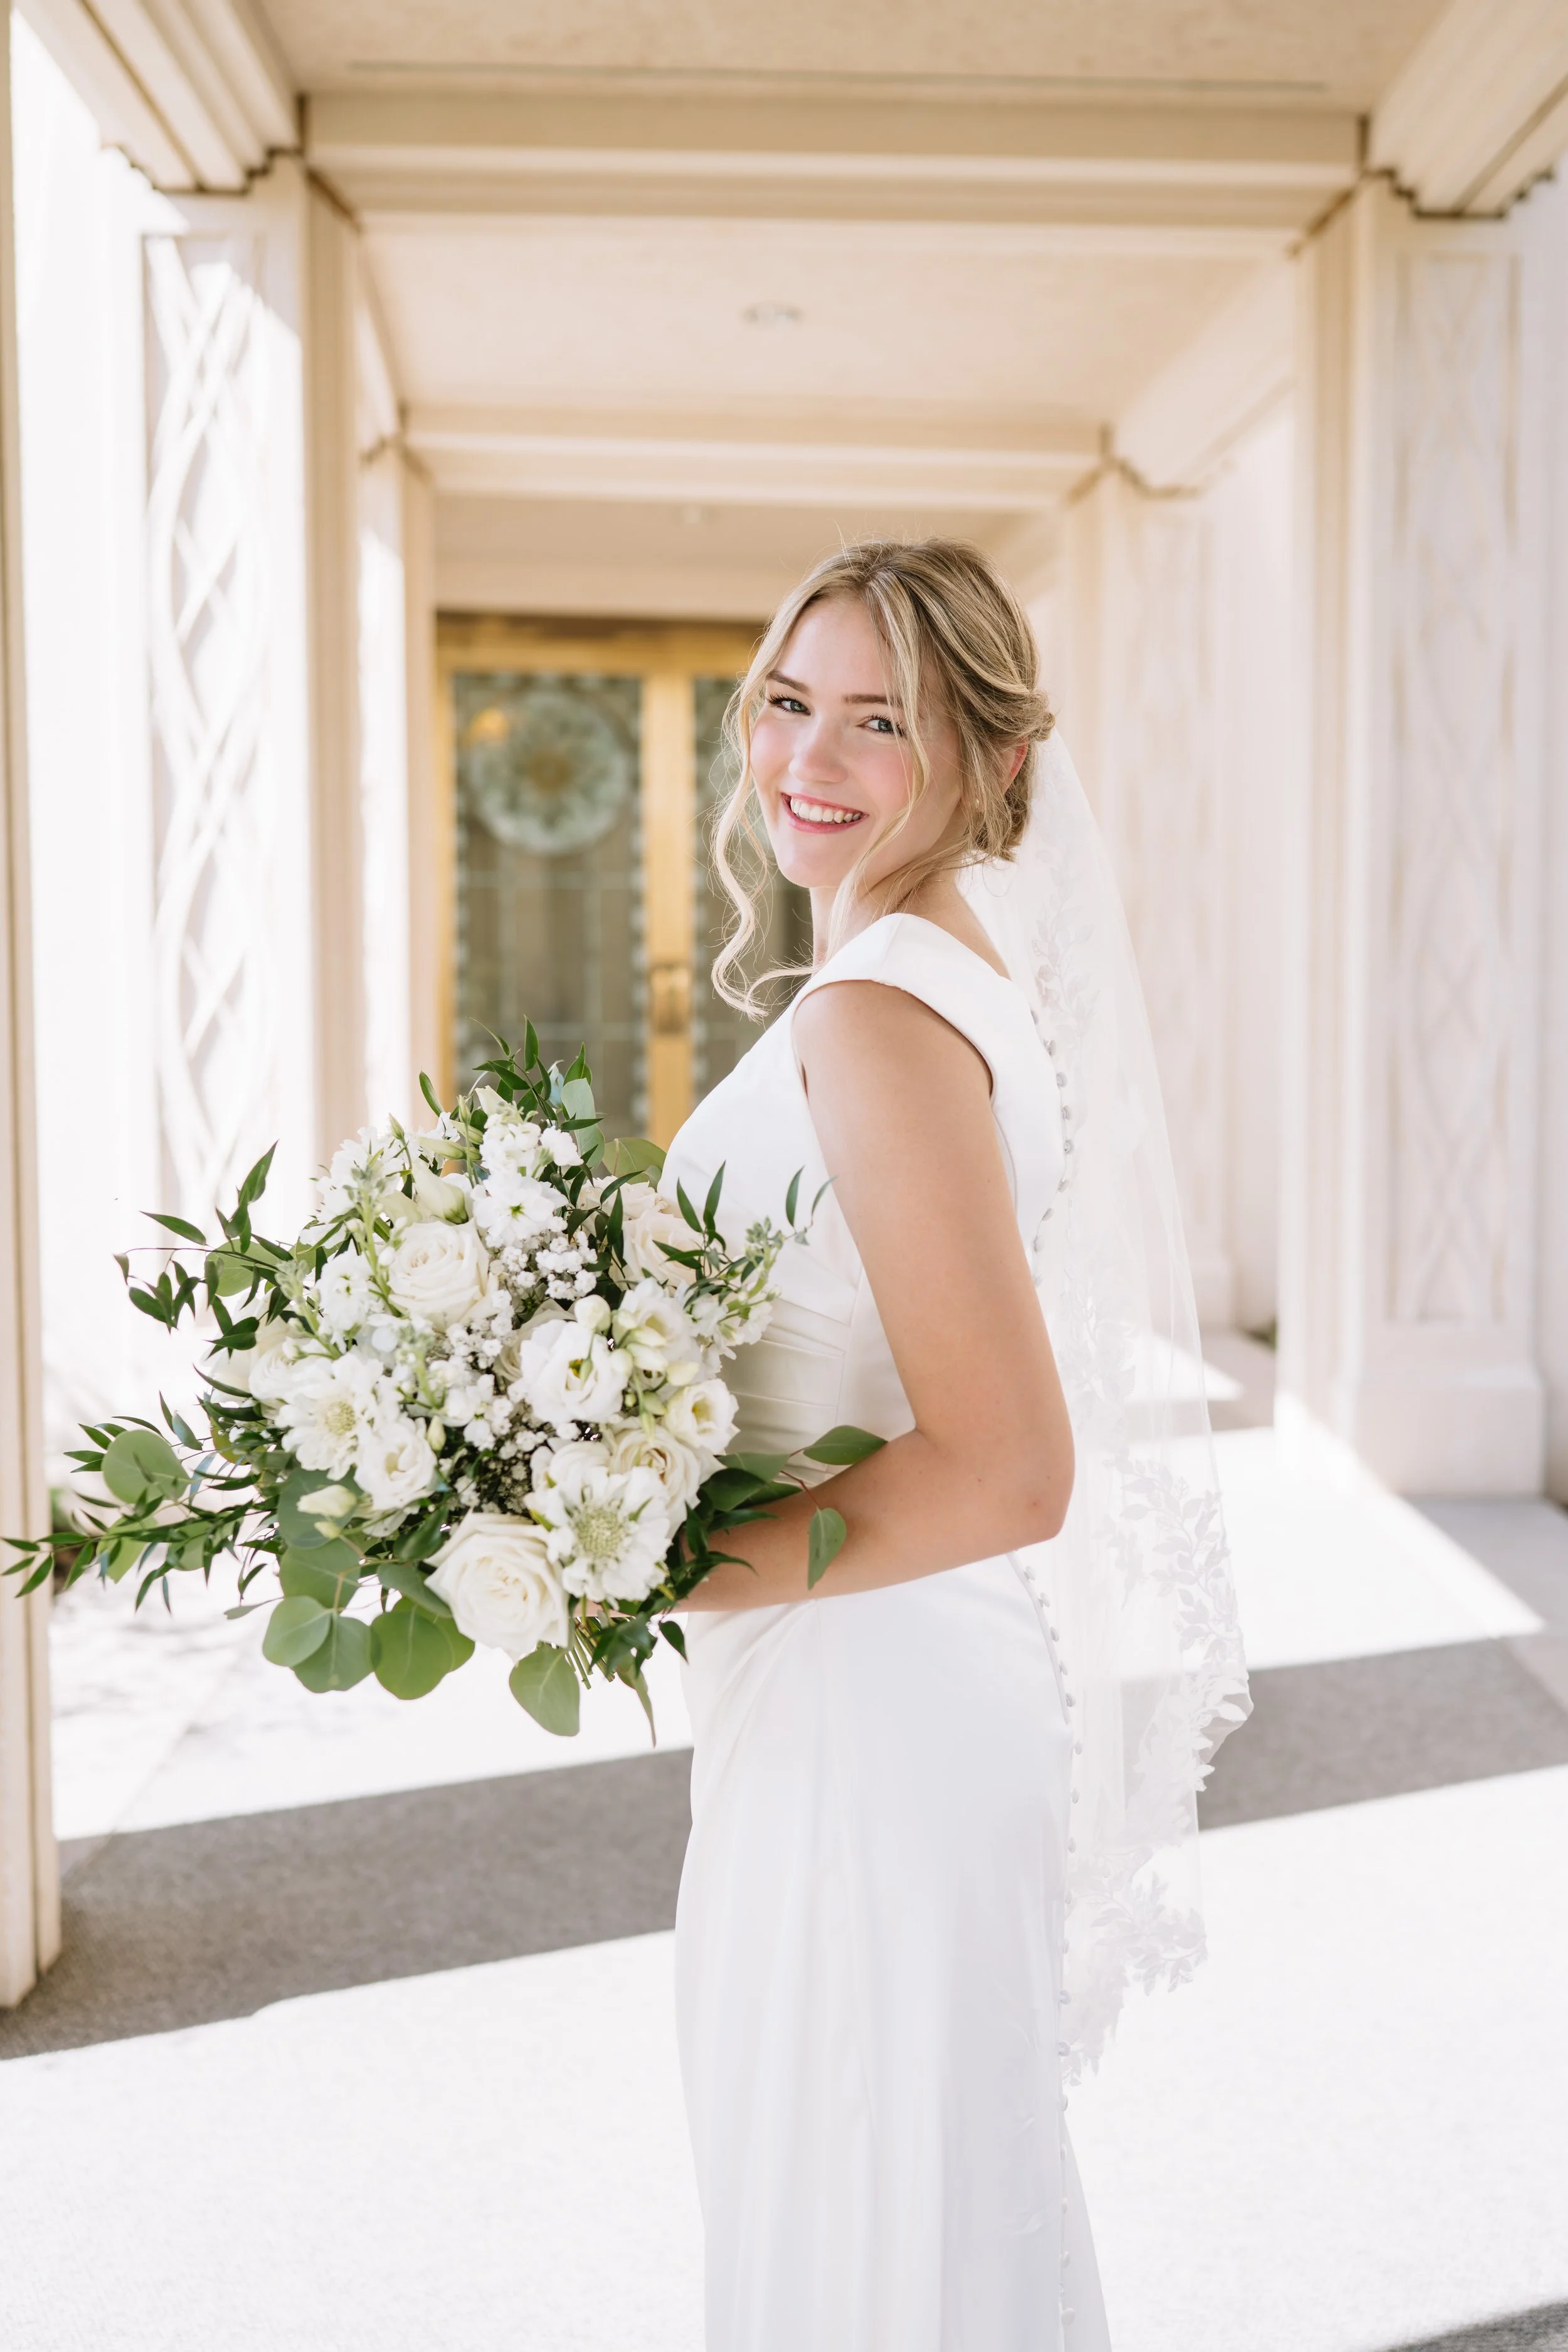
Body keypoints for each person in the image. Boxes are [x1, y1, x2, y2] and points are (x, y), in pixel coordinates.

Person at [662, 539, 1250, 2352]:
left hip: (869, 1714)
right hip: (868, 1683)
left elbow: (1009, 1465)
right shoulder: (945, 973)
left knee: (863, 2229)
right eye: (785, 703)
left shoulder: (878, 1017)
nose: (804, 762)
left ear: (989, 764)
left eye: (877, 722)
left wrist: (653, 1564)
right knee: (878, 2206)